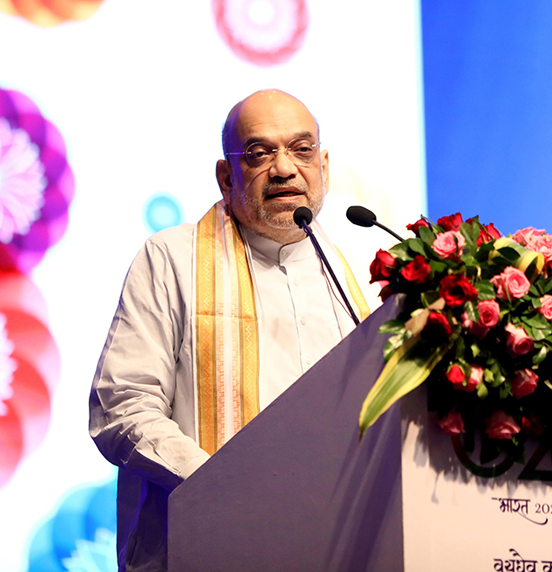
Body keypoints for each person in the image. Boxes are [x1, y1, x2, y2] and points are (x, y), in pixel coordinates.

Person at [89, 90, 370, 571]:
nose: (284, 168)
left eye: (301, 150)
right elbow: (122, 405)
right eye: (260, 153)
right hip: (206, 543)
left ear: (323, 165)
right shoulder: (172, 259)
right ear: (226, 176)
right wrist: (223, 487)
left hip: (337, 544)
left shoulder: (358, 277)